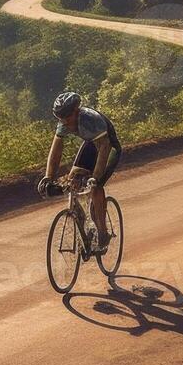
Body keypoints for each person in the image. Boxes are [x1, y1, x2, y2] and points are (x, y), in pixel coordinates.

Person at [38, 91, 120, 252]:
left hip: (109, 147)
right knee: (72, 179)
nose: (65, 122)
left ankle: (103, 233)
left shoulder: (92, 120)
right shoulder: (63, 122)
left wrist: (95, 177)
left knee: (95, 186)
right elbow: (56, 151)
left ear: (76, 111)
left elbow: (104, 149)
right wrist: (48, 177)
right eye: (61, 118)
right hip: (91, 144)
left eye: (67, 117)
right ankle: (83, 223)